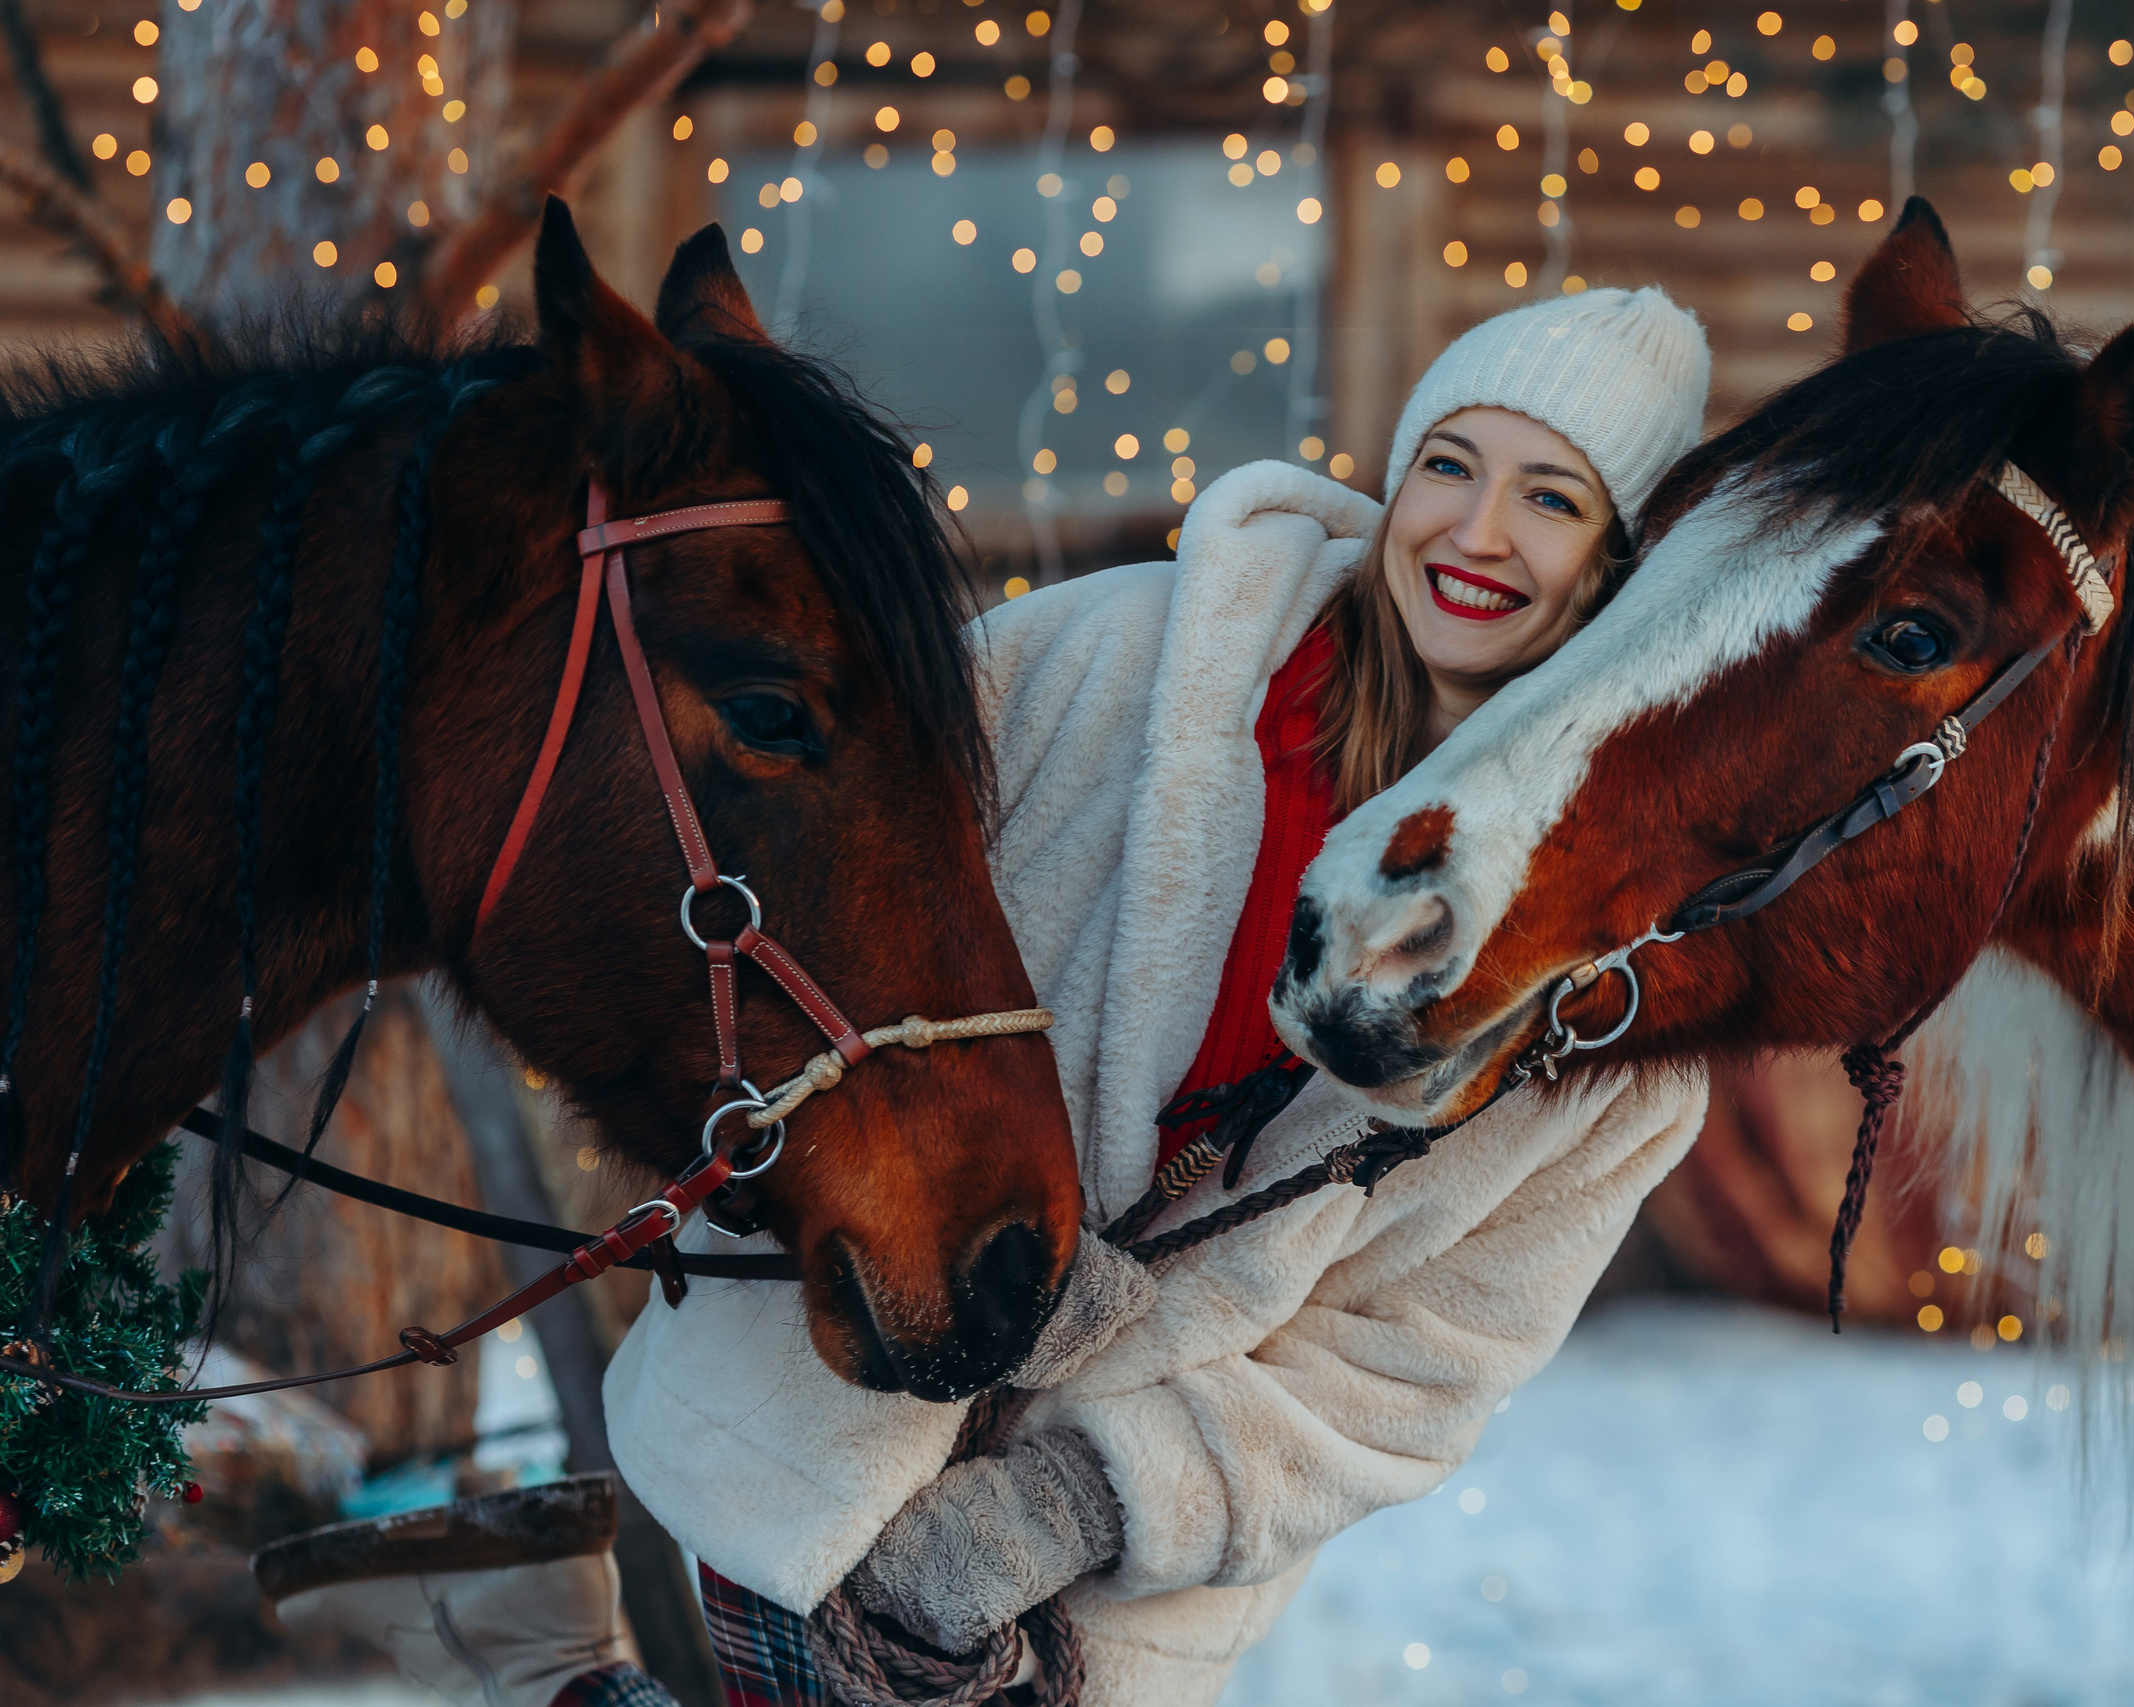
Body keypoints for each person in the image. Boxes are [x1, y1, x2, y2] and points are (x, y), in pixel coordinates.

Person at [275, 286, 1714, 1707]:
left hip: (1100, 1590)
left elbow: (1420, 1369)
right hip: (825, 1410)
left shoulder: (1621, 1003)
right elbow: (799, 862)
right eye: (1450, 465)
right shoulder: (1110, 658)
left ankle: (523, 1647)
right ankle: (528, 1644)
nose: (1476, 531)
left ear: (1622, 560)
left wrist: (1075, 1506)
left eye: (1551, 498)